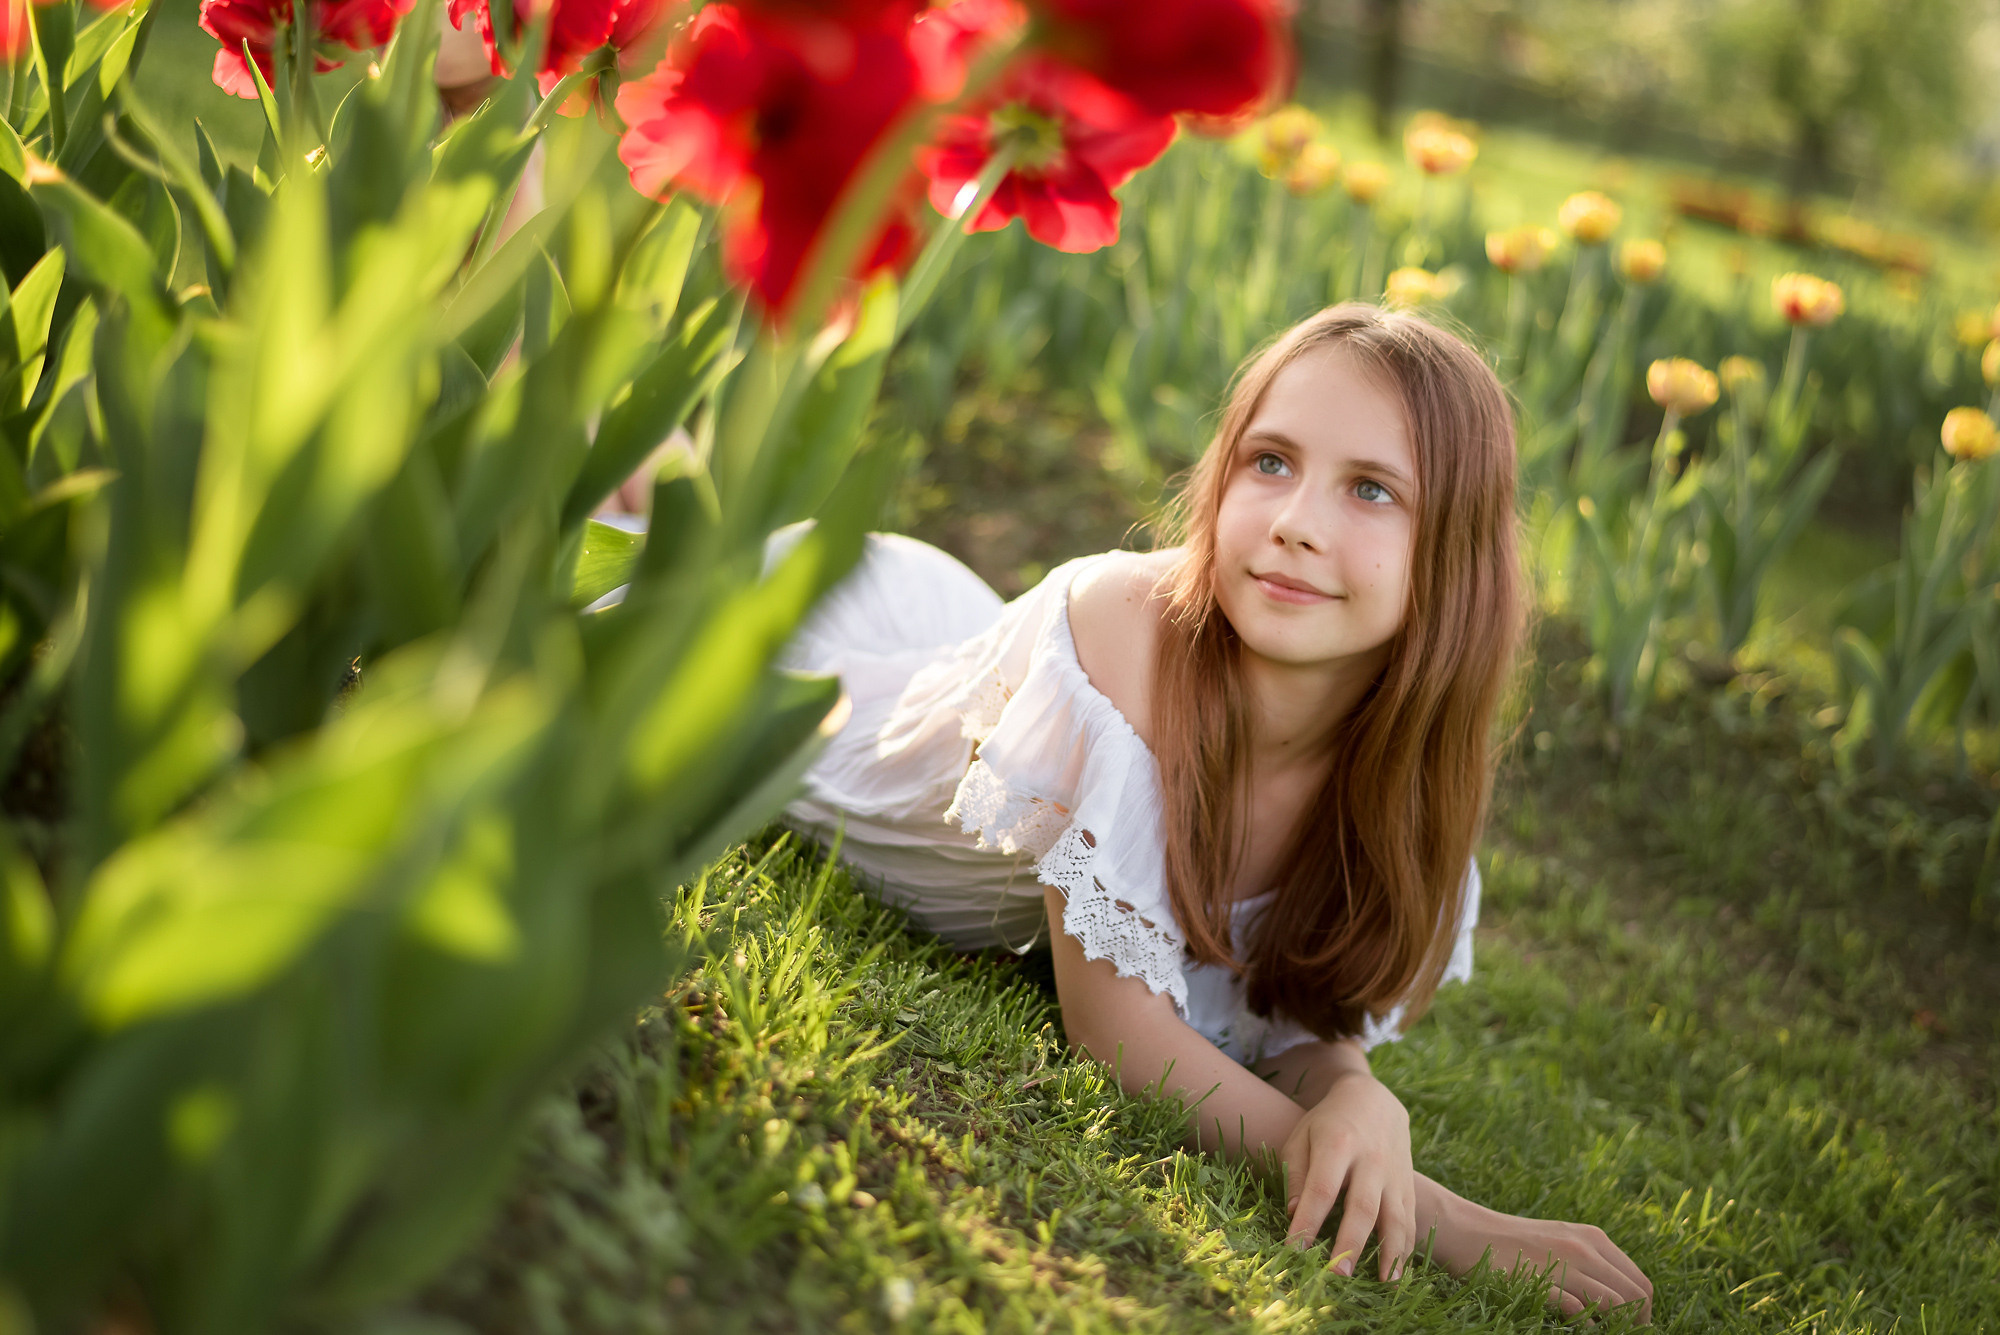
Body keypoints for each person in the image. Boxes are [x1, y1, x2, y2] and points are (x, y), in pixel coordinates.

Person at [745, 303, 1650, 1320]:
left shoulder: (1396, 783)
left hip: (941, 620)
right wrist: (1444, 1218)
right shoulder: (1118, 629)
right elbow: (1113, 1025)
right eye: (1269, 462)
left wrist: (1356, 1093)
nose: (1295, 521)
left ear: (1452, 552)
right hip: (798, 651)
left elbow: (1285, 1012)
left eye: (1368, 489)